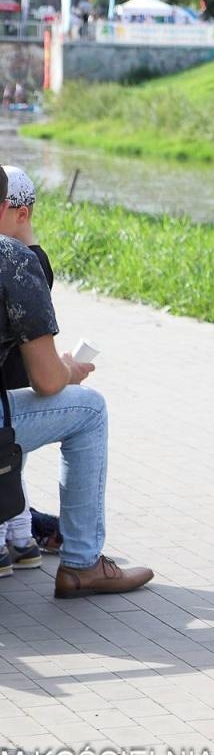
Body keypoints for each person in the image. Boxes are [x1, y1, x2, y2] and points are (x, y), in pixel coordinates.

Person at [0, 166, 154, 598]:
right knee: (89, 409)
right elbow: (48, 382)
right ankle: (82, 564)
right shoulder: (14, 261)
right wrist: (69, 368)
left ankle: (21, 526)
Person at [0, 165, 48, 574]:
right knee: (12, 470)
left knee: (8, 469)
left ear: (21, 213)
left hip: (12, 384)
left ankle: (7, 542)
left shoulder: (26, 263)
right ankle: (23, 540)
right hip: (14, 384)